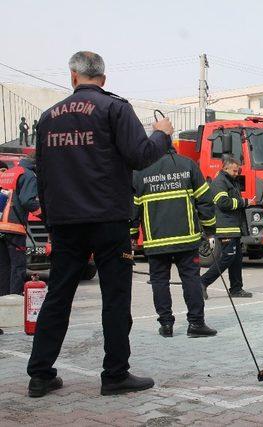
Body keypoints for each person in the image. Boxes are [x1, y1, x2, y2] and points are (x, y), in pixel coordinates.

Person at [26, 51, 173, 398]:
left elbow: (42, 173)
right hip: (108, 219)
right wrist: (162, 135)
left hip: (65, 222)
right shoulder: (114, 108)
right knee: (115, 297)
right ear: (103, 79)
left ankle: (40, 375)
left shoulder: (48, 117)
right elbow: (141, 156)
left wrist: (51, 218)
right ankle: (115, 374)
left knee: (58, 297)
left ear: (72, 76)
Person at [131, 146, 217, 338]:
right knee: (191, 280)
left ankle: (166, 325)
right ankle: (196, 324)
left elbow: (133, 208)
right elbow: (205, 200)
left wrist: (131, 236)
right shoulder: (188, 165)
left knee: (159, 282)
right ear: (172, 146)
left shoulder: (140, 171)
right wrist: (210, 228)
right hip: (186, 240)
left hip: (155, 241)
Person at [201, 156, 254, 299]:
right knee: (227, 258)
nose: (237, 173)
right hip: (225, 228)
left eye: (238, 171)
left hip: (233, 227)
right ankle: (202, 282)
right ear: (225, 168)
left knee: (236, 259)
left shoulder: (230, 181)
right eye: (235, 171)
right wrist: (244, 202)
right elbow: (223, 202)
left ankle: (236, 289)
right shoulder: (219, 182)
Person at [0, 153, 39, 296]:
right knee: (18, 267)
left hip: (1, 227)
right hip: (15, 228)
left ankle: (3, 302)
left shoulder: (8, 173)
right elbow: (27, 201)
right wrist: (43, 214)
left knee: (4, 267)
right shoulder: (28, 175)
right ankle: (15, 301)